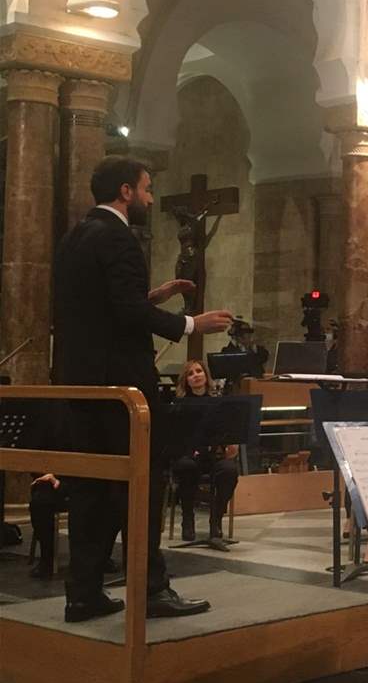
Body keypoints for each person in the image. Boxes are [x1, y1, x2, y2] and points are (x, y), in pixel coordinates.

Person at [53, 155, 233, 622]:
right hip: (123, 390)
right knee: (142, 488)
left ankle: (83, 593)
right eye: (148, 189)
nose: (151, 199)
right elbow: (127, 314)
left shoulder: (75, 237)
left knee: (91, 491)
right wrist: (192, 323)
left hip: (83, 387)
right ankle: (151, 589)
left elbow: (100, 308)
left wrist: (152, 297)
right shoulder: (119, 238)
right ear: (126, 192)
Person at [171, 360, 239, 543]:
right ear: (186, 381)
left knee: (229, 470)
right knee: (187, 467)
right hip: (189, 456)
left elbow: (227, 432)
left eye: (199, 371)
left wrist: (232, 445)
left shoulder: (219, 404)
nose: (196, 375)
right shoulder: (180, 405)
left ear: (206, 375)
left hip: (213, 455)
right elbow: (175, 437)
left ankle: (216, 519)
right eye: (190, 373)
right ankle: (187, 519)